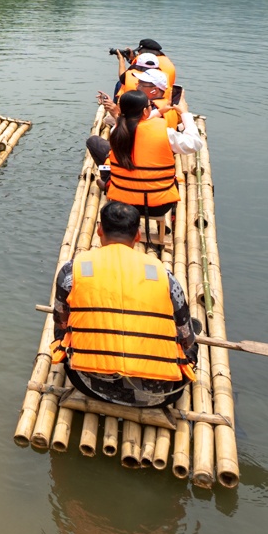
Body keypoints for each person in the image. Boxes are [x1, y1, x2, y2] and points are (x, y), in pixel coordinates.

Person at [52, 200, 198, 408]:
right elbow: (186, 337)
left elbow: (61, 321)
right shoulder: (163, 275)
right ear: (138, 235)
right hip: (160, 393)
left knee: (63, 330)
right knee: (193, 330)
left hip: (90, 384)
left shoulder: (72, 270)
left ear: (99, 230)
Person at [89, 89, 202, 227]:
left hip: (122, 200)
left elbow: (135, 123)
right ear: (145, 112)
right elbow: (195, 143)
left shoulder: (116, 131)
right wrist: (184, 113)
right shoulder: (166, 134)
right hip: (159, 204)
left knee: (97, 146)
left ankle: (107, 182)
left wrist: (160, 111)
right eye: (149, 106)